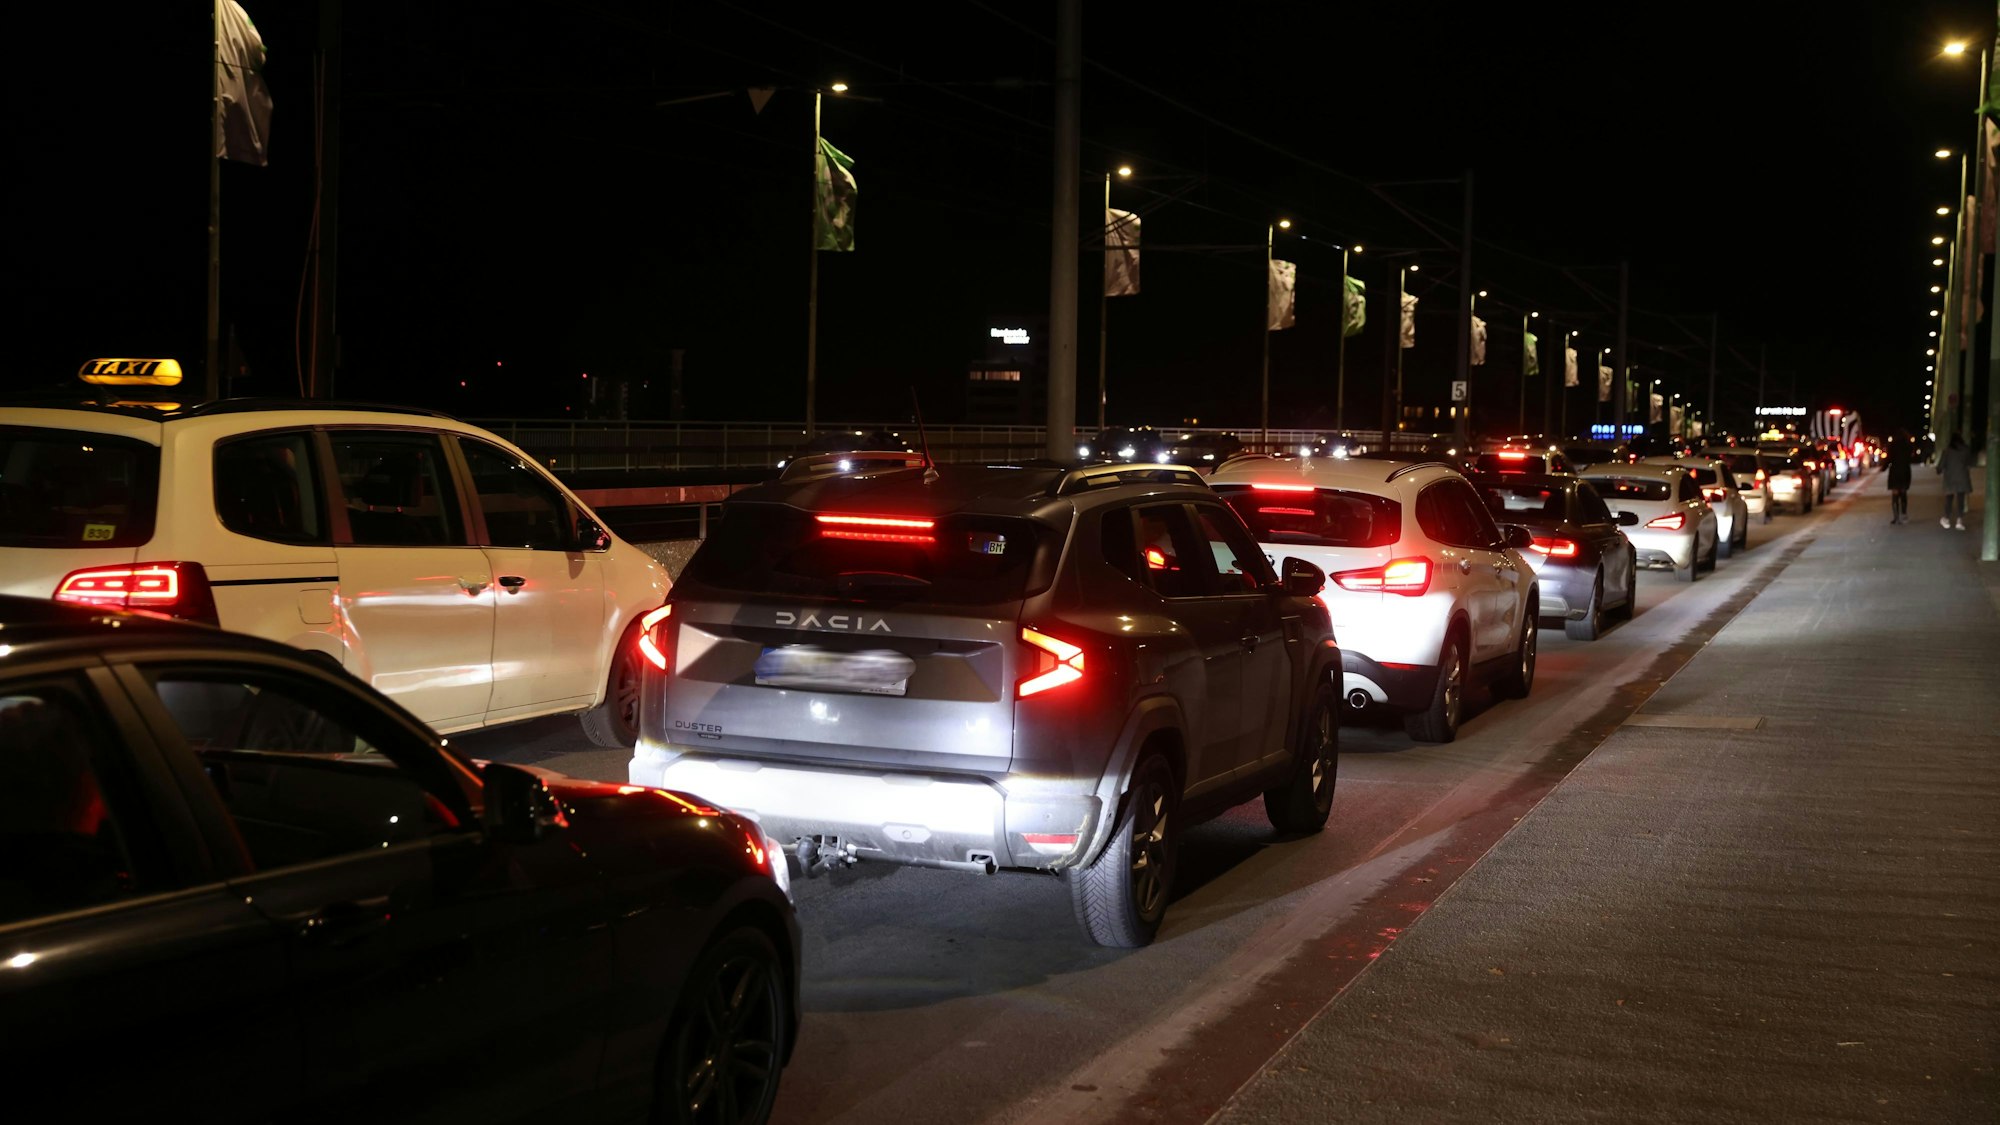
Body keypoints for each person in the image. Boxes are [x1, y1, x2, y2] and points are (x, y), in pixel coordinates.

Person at [1936, 432, 1973, 530]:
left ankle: (1947, 519)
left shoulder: (1947, 451)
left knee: (1949, 499)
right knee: (1960, 499)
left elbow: (1940, 466)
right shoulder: (1966, 450)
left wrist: (1939, 470)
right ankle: (1959, 521)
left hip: (1950, 478)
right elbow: (1969, 462)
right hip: (1962, 477)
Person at [1886, 429, 1914, 524]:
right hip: (1905, 471)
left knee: (1895, 494)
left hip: (1894, 472)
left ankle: (1896, 517)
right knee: (1903, 493)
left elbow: (1888, 458)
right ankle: (1904, 515)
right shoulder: (1908, 445)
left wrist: (1883, 468)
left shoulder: (1892, 445)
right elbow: (1911, 457)